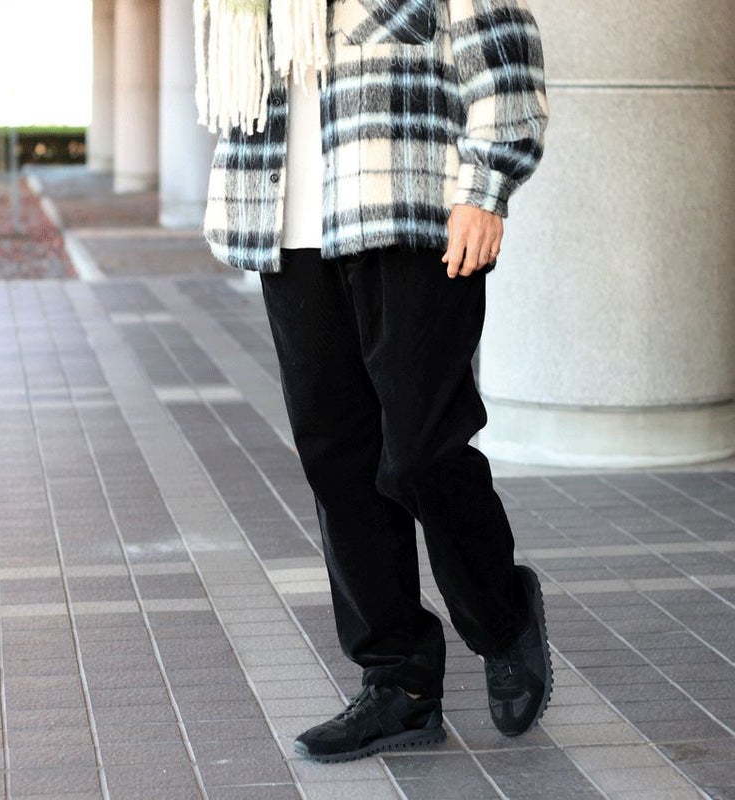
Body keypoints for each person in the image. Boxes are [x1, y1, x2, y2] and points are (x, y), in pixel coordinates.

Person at [194, 0, 551, 763]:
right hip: (289, 219)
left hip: (409, 200)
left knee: (421, 451)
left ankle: (501, 615)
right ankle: (399, 683)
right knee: (339, 462)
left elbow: (501, 39)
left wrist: (485, 188)